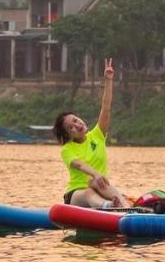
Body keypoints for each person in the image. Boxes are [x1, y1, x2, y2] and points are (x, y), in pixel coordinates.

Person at [54, 58, 131, 209]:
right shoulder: (67, 150)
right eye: (71, 127)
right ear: (68, 135)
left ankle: (125, 207)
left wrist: (108, 80)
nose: (77, 125)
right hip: (77, 196)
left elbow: (106, 107)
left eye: (76, 120)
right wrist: (95, 174)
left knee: (98, 183)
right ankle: (109, 206)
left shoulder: (97, 135)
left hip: (100, 188)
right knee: (90, 187)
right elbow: (80, 165)